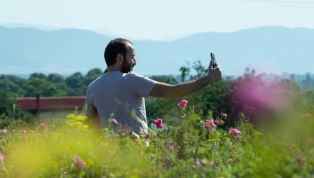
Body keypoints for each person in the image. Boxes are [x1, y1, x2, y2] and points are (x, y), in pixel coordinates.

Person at [83, 38, 222, 136]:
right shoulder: (131, 79)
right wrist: (208, 79)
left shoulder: (93, 87)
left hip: (109, 155)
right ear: (120, 58)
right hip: (136, 153)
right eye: (132, 57)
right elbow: (172, 92)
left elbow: (90, 125)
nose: (135, 62)